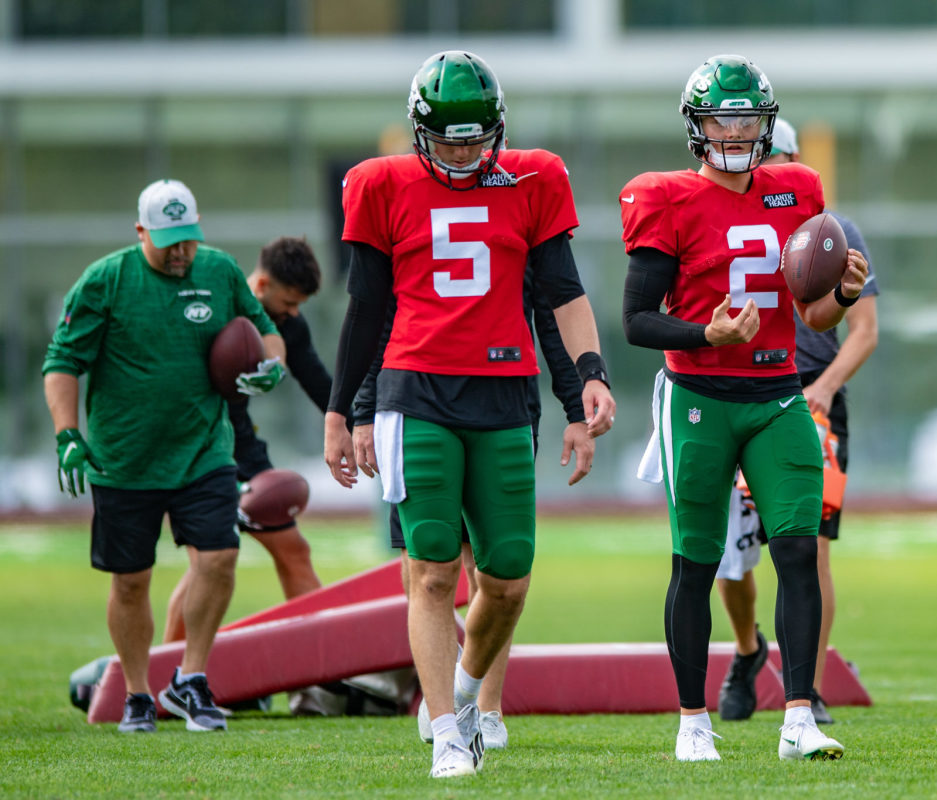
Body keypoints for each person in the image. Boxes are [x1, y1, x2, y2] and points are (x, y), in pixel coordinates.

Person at [322, 50, 615, 779]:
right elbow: (366, 310)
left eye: (474, 136)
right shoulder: (381, 183)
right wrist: (340, 410)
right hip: (414, 389)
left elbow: (563, 292)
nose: (461, 150)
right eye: (448, 137)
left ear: (498, 128)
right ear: (420, 131)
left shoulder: (534, 176)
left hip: (502, 390)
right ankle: (450, 733)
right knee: (428, 570)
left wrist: (589, 378)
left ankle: (457, 690)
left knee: (507, 578)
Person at [621, 55, 868, 763]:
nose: (734, 131)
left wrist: (844, 294)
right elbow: (638, 319)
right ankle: (692, 723)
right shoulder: (665, 197)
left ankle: (797, 717)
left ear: (767, 123)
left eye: (746, 118)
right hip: (698, 395)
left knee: (796, 549)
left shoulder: (797, 188)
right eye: (721, 118)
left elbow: (814, 318)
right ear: (696, 126)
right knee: (695, 561)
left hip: (777, 393)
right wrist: (709, 333)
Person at [43, 179, 287, 733]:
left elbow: (267, 331)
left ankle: (191, 679)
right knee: (131, 580)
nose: (181, 252)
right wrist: (67, 434)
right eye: (168, 241)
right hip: (123, 459)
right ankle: (135, 694)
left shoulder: (220, 271)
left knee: (219, 557)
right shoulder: (106, 280)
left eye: (189, 240)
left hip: (203, 449)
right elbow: (61, 362)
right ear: (140, 232)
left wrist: (272, 366)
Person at [352, 258, 594, 750]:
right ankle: (442, 708)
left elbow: (552, 316)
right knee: (427, 568)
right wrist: (361, 407)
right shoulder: (408, 204)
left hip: (503, 404)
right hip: (418, 402)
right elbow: (375, 317)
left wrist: (575, 406)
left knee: (497, 573)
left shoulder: (520, 209)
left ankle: (483, 703)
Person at [715, 118, 879, 726]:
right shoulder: (718, 216)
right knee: (730, 558)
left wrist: (823, 390)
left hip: (808, 403)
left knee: (810, 550)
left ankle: (804, 687)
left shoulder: (834, 233)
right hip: (735, 395)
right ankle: (748, 649)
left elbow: (863, 331)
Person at [163, 236, 328, 644]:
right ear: (260, 286)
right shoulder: (212, 310)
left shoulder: (289, 325)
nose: (293, 312)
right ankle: (170, 672)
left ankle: (322, 670)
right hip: (196, 445)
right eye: (289, 301)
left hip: (242, 444)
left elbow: (319, 384)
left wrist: (361, 427)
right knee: (210, 562)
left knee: (293, 550)